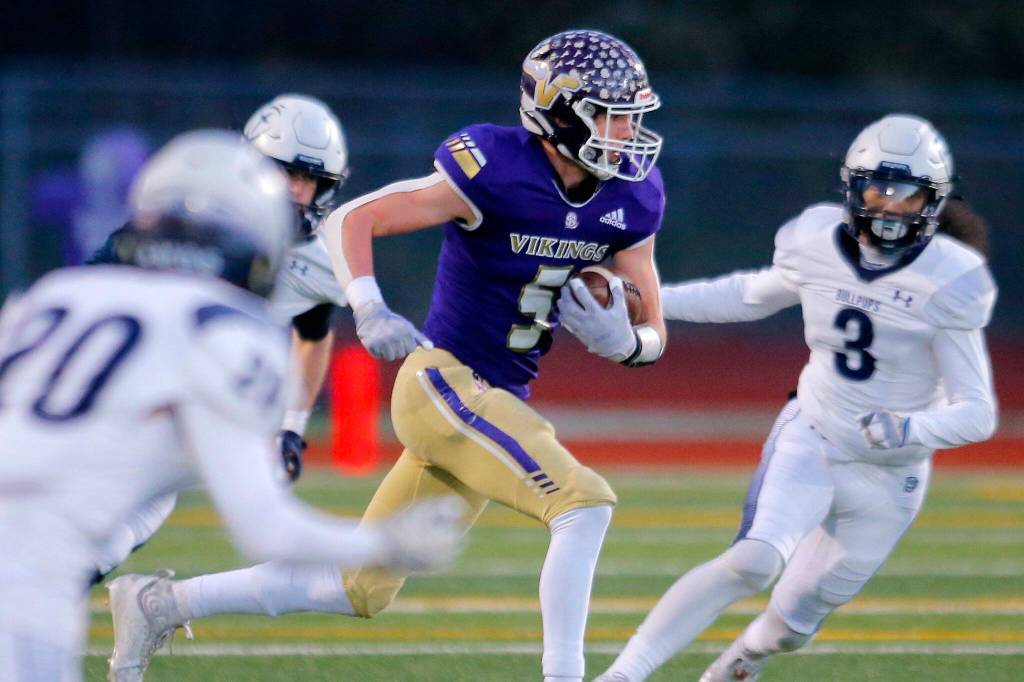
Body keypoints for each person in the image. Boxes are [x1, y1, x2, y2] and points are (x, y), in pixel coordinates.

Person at [110, 29, 669, 682]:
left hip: (497, 398)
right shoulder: (496, 166)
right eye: (609, 114)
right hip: (443, 382)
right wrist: (368, 304)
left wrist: (628, 344)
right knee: (584, 503)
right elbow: (352, 219)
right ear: (559, 109)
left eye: (630, 116)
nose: (626, 132)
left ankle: (160, 603)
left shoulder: (633, 197)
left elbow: (654, 326)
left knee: (357, 587)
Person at [0, 130, 464, 682]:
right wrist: (381, 542)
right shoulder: (227, 330)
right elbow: (263, 525)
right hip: (28, 584)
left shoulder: (54, 295)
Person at [595, 114, 997, 682]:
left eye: (907, 196)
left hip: (890, 477)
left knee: (793, 627)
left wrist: (914, 430)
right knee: (753, 561)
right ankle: (624, 675)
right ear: (852, 187)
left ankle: (743, 659)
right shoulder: (818, 241)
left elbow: (979, 413)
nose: (888, 206)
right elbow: (748, 296)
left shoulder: (951, 280)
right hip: (815, 434)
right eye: (878, 188)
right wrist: (650, 303)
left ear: (933, 202)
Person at [86, 94, 351, 582]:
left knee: (98, 551)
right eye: (287, 174)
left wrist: (292, 426)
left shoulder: (322, 256)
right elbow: (90, 289)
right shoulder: (193, 222)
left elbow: (313, 334)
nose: (297, 192)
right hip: (106, 397)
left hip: (176, 423)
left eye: (311, 180)